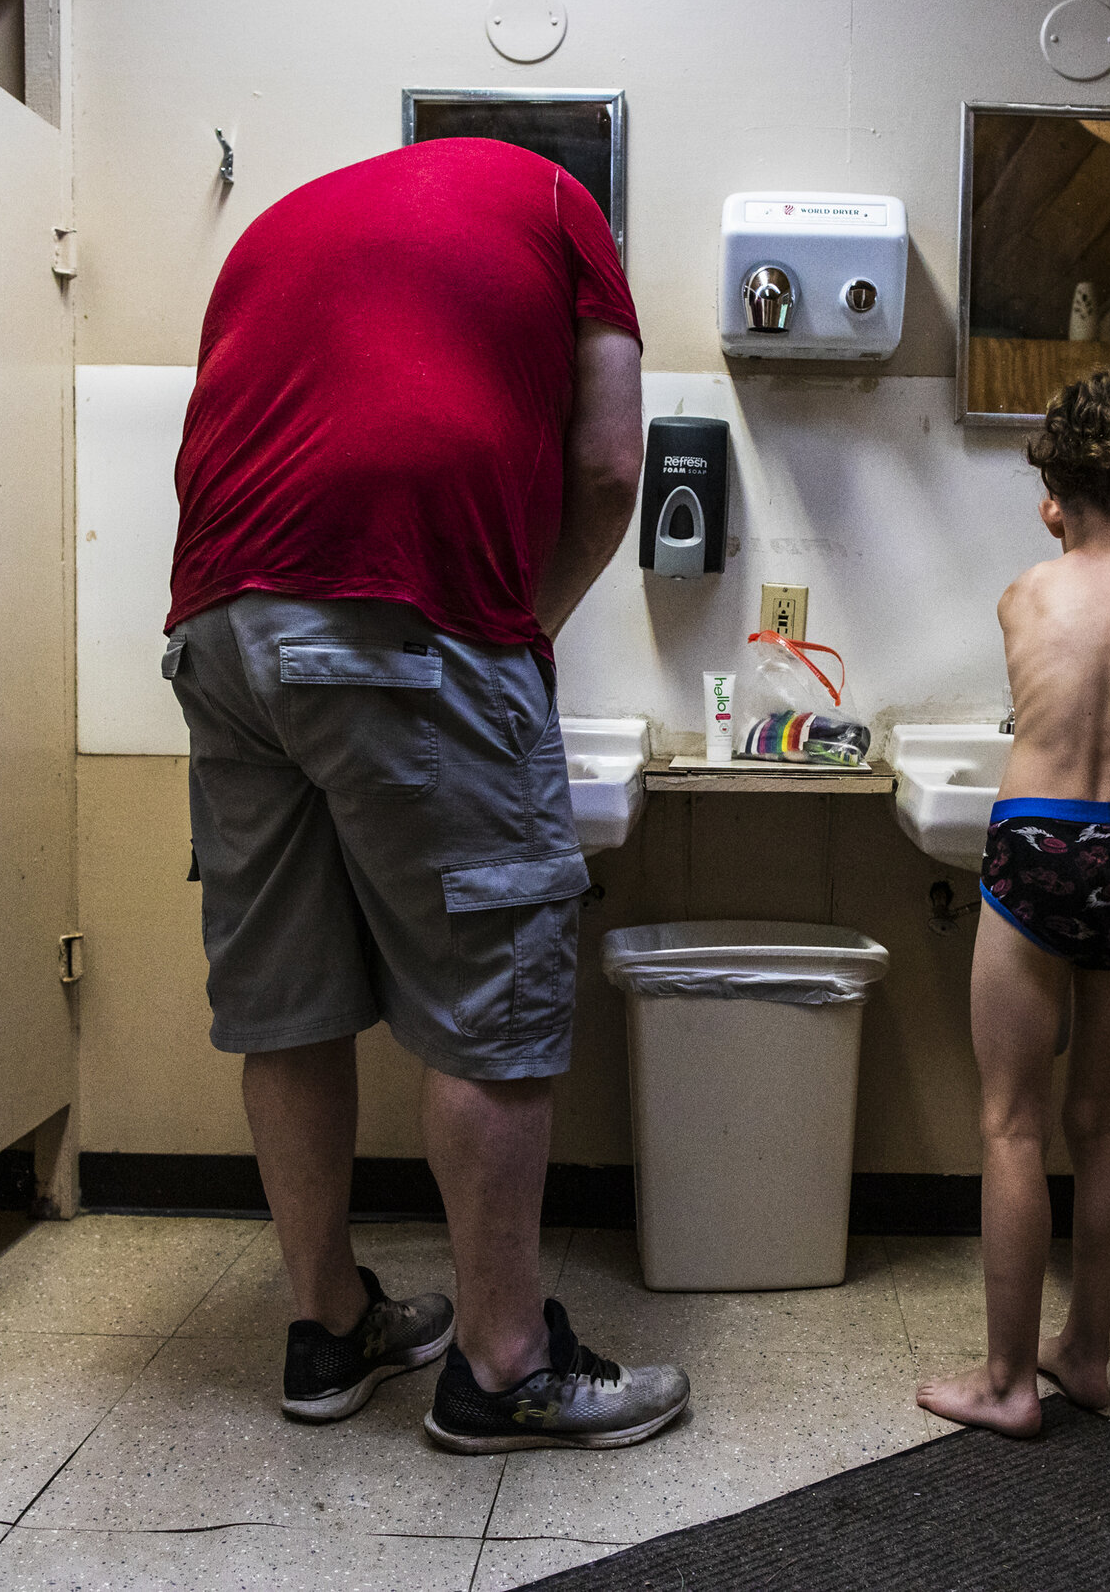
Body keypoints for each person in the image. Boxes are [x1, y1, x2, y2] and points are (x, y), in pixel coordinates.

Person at [163, 138, 689, 1452]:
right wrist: (522, 629)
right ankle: (503, 1362)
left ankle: (329, 1323)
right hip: (404, 600)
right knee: (489, 998)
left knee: (287, 993)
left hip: (219, 620)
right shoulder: (570, 210)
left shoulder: (285, 220)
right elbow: (616, 468)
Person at [918, 369, 1110, 1437]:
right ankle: (1085, 1354)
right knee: (1103, 1123)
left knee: (1012, 1122)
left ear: (1048, 502)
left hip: (1034, 843)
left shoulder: (1023, 592)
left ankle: (1006, 1380)